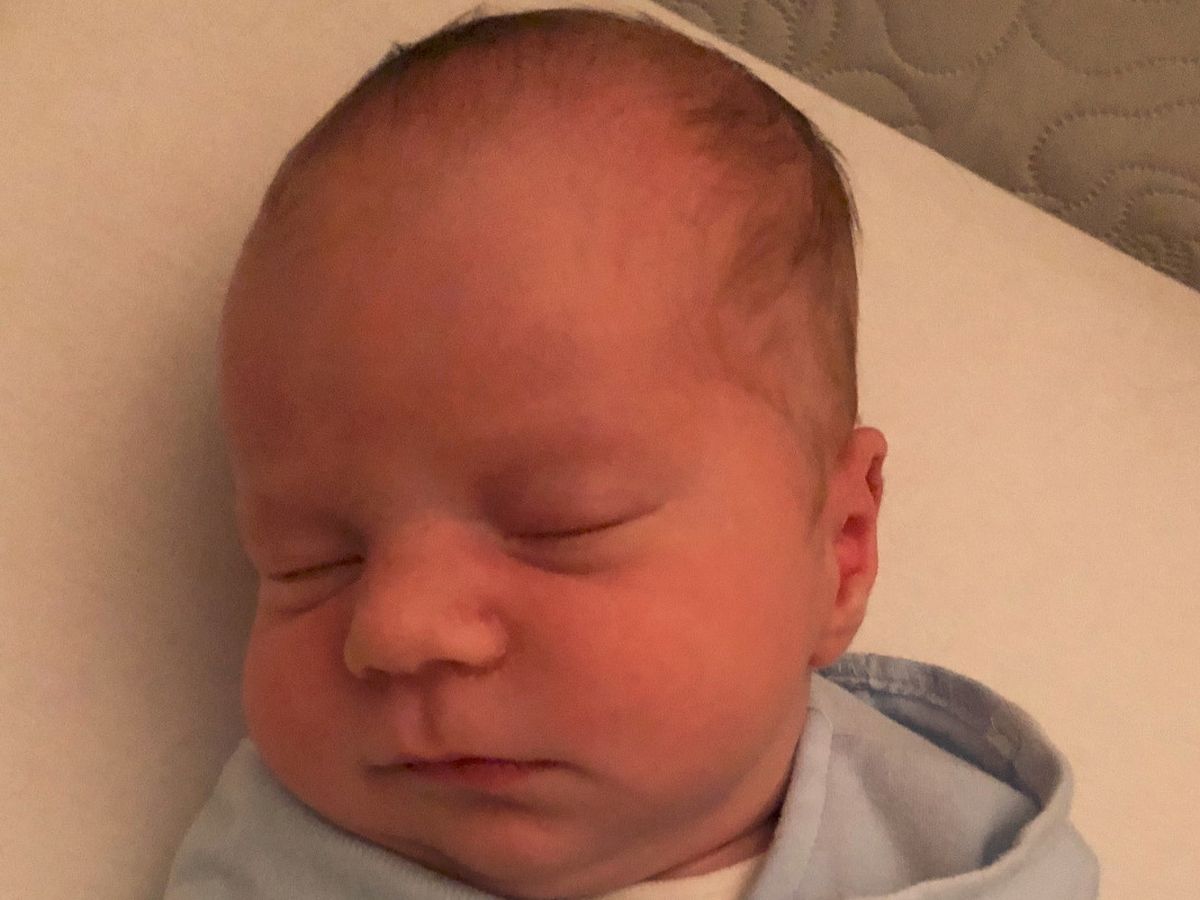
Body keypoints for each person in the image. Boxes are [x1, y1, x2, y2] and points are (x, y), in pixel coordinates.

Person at [164, 6, 1098, 898]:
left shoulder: (963, 852)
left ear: (840, 551)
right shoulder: (267, 868)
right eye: (308, 561)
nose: (395, 628)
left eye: (561, 524)